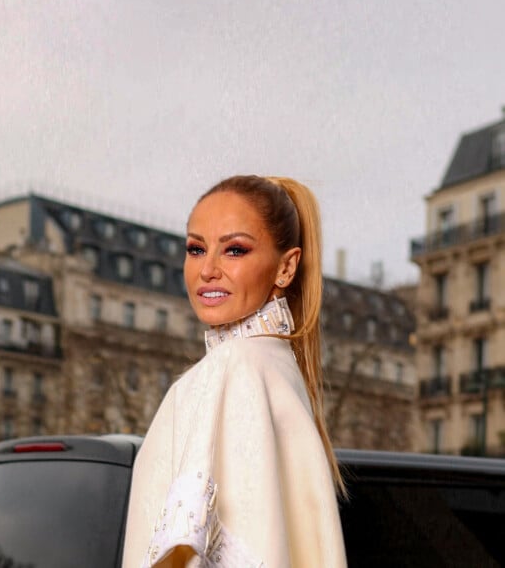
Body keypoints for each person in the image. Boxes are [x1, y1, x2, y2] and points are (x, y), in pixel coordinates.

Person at [122, 175, 347, 567]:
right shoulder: (277, 367)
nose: (207, 270)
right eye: (195, 249)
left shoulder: (233, 367)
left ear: (286, 268)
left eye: (235, 250)